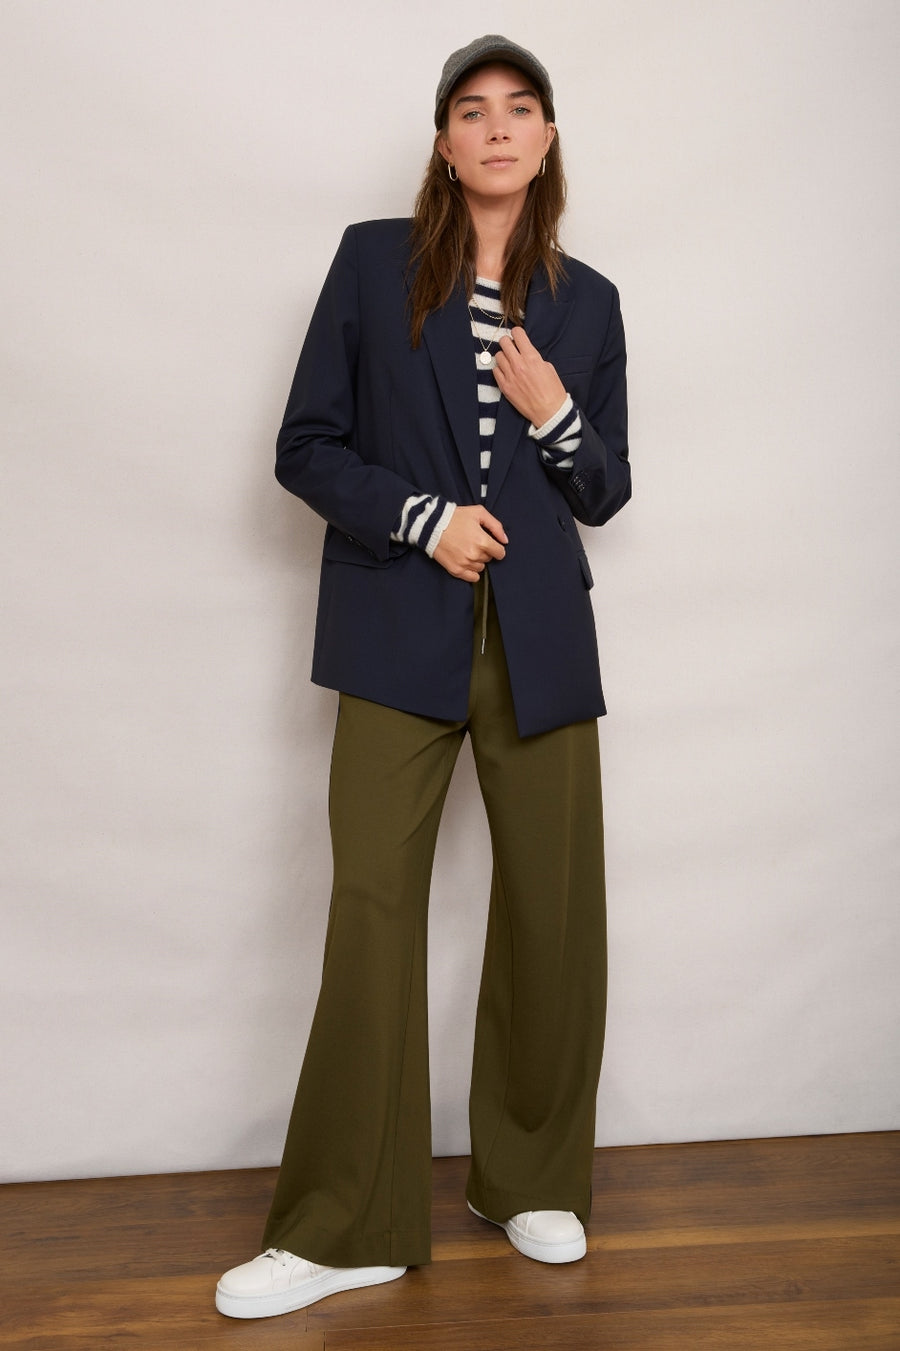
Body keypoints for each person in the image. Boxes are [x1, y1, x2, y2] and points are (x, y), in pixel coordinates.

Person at [216, 34, 630, 1321]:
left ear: (547, 140)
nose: (498, 128)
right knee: (372, 908)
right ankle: (345, 1222)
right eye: (472, 111)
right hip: (400, 623)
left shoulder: (589, 300)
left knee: (554, 909)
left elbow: (603, 488)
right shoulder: (371, 263)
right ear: (444, 144)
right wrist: (423, 518)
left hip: (542, 637)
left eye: (521, 109)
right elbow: (306, 445)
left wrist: (556, 413)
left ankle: (531, 1177)